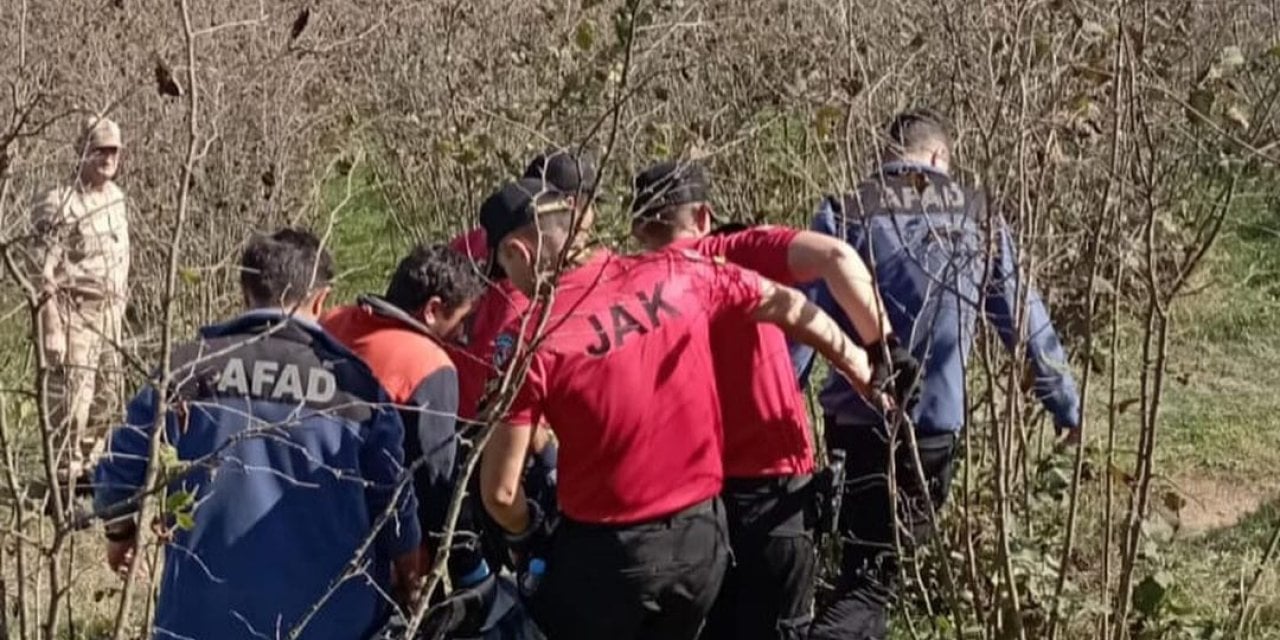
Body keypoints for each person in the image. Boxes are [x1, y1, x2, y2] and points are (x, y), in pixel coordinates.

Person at [476, 177, 877, 640]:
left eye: (506, 269)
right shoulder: (678, 273)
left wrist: (527, 536)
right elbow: (786, 303)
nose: (512, 285)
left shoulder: (529, 341)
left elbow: (501, 495)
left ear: (518, 253)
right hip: (702, 540)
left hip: (608, 559)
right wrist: (862, 366)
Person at [795, 109, 1082, 640]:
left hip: (856, 425)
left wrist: (775, 413)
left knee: (864, 573)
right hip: (931, 434)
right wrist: (1065, 405)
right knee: (871, 581)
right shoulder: (979, 216)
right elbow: (1024, 321)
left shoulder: (846, 212)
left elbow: (802, 326)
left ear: (886, 155)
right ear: (938, 156)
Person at [93, 228, 421, 640]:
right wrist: (410, 572)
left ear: (245, 291)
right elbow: (393, 502)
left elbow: (121, 467)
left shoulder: (185, 370)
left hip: (201, 623)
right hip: (331, 623)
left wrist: (120, 533)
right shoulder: (354, 386)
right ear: (321, 299)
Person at [628, 159, 908, 640]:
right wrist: (881, 351)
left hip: (683, 509)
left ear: (638, 230)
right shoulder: (731, 254)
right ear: (703, 216)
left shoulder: (624, 288)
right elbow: (836, 258)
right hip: (773, 494)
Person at [322, 243, 486, 587]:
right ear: (433, 309)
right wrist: (467, 567)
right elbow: (436, 484)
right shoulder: (426, 364)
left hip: (309, 523)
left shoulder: (332, 323)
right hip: (382, 555)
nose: (464, 335)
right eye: (462, 320)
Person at [31, 115, 131, 486]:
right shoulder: (59, 202)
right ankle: (61, 485)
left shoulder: (116, 199)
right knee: (72, 406)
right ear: (83, 150)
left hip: (109, 316)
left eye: (114, 150)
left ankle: (89, 472)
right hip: (73, 317)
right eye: (100, 149)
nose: (108, 157)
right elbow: (40, 273)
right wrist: (52, 327)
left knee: (107, 398)